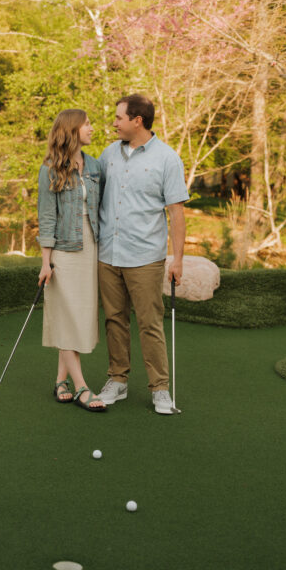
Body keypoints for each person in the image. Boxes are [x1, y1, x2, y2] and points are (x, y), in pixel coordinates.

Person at [97, 95, 189, 415]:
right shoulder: (108, 153)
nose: (114, 122)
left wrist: (177, 259)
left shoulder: (167, 158)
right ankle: (117, 380)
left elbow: (176, 213)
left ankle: (160, 388)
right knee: (114, 320)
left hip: (145, 256)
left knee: (150, 324)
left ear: (138, 120)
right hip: (108, 253)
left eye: (119, 117)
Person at [37, 109, 106, 412]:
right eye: (87, 124)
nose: (92, 128)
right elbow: (47, 217)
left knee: (78, 315)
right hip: (64, 252)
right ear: (72, 130)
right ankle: (81, 387)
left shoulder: (94, 165)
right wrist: (45, 262)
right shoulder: (50, 168)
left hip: (90, 249)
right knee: (68, 316)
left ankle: (59, 381)